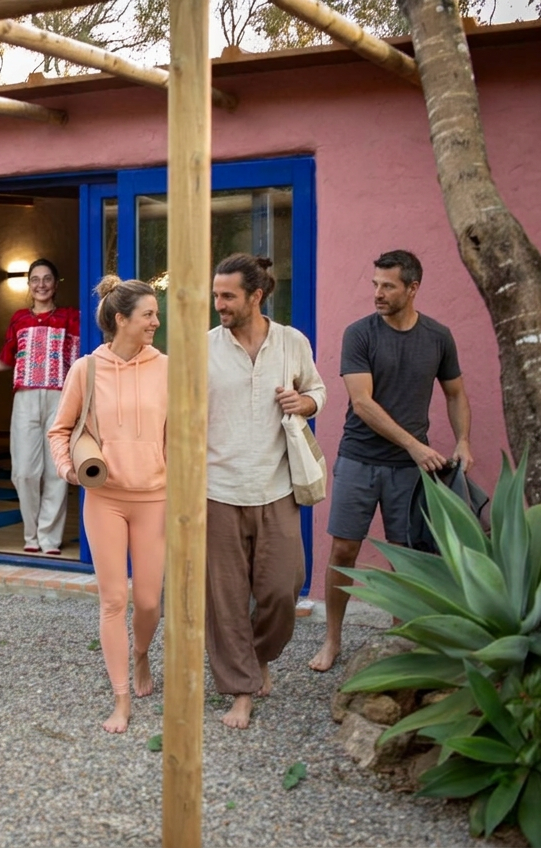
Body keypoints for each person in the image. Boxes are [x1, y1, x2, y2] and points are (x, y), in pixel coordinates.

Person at [310, 249, 472, 672]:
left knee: (407, 554)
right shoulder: (360, 334)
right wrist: (415, 446)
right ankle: (332, 639)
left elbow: (455, 393)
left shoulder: (438, 336)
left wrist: (463, 441)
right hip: (359, 459)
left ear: (412, 288)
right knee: (344, 548)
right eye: (375, 285)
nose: (378, 293)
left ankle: (401, 642)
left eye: (388, 286)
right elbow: (362, 403)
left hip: (409, 470)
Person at [205, 254, 327, 730]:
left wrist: (305, 402)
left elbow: (317, 390)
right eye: (216, 295)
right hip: (218, 489)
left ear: (256, 296)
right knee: (226, 599)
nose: (219, 304)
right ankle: (241, 690)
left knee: (281, 588)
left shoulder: (292, 342)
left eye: (228, 296)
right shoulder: (205, 347)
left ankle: (259, 656)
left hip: (277, 488)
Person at [47, 276, 168, 733]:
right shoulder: (86, 369)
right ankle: (120, 699)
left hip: (154, 496)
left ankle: (141, 654)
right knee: (114, 600)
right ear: (121, 319)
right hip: (104, 500)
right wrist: (68, 469)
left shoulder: (167, 368)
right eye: (148, 315)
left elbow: (179, 434)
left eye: (155, 314)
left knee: (149, 602)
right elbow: (61, 429)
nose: (156, 322)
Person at [0, 259, 82, 554]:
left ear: (56, 284)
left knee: (56, 470)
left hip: (60, 398)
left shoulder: (70, 317)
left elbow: (82, 359)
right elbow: (6, 360)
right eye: (35, 279)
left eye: (47, 278)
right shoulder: (19, 319)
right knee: (25, 471)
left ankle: (49, 539)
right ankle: (31, 536)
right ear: (29, 285)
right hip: (25, 398)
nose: (41, 285)